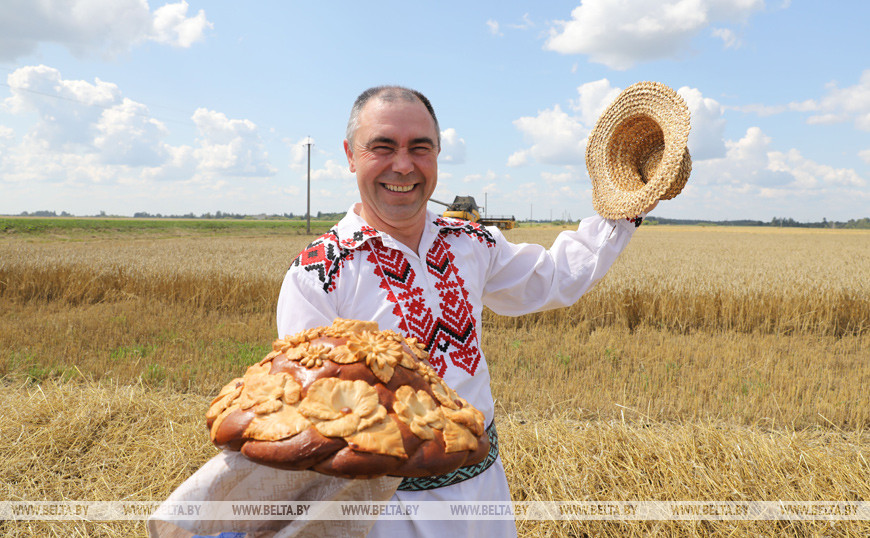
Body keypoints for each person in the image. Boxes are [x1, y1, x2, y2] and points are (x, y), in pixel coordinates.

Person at [275, 85, 655, 537]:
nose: (403, 165)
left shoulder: (471, 242)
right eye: (382, 146)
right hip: (383, 515)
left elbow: (551, 277)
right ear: (350, 155)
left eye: (420, 147)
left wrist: (623, 209)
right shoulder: (318, 273)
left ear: (437, 154)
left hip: (484, 498)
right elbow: (309, 415)